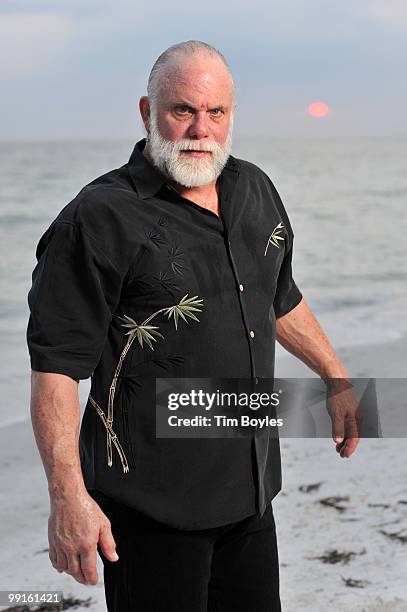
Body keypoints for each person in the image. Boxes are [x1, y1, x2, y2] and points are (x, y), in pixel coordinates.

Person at [26, 40, 360, 611]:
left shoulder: (253, 189)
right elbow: (57, 369)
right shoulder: (99, 218)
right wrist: (68, 499)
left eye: (216, 112)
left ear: (232, 115)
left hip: (251, 494)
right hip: (151, 510)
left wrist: (335, 377)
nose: (199, 128)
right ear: (146, 111)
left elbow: (279, 298)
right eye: (182, 110)